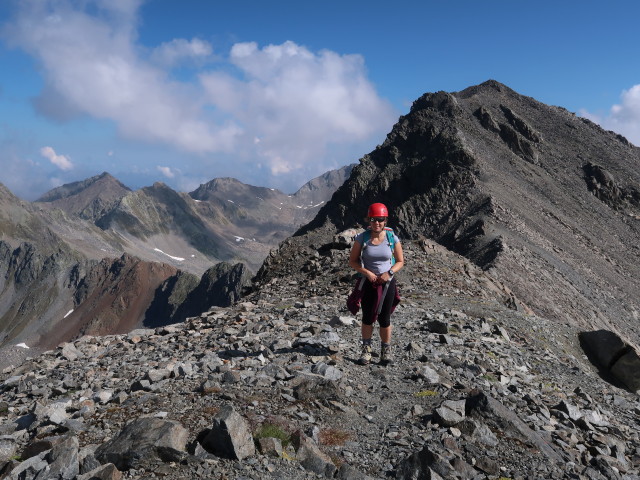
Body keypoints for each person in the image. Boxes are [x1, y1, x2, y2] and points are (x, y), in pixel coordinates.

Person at [348, 203, 404, 365]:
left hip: (387, 283)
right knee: (367, 317)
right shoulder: (362, 238)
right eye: (373, 219)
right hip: (368, 282)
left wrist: (389, 273)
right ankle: (366, 350)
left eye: (380, 219)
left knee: (385, 318)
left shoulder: (392, 238)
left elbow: (400, 261)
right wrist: (367, 273)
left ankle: (385, 350)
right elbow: (353, 261)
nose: (377, 223)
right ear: (369, 220)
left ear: (385, 220)